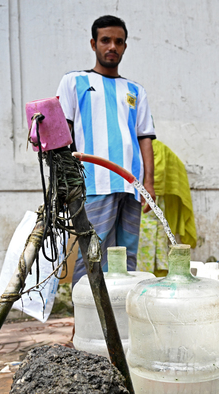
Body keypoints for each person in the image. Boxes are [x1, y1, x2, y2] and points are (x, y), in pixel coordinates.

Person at [56, 15, 156, 286]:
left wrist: (148, 184)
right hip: (94, 183)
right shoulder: (74, 82)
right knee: (93, 254)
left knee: (126, 258)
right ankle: (85, 324)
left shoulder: (136, 90)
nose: (112, 46)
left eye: (118, 42)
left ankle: (120, 324)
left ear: (125, 46)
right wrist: (64, 183)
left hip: (131, 186)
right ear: (93, 44)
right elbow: (62, 135)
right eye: (105, 40)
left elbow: (145, 137)